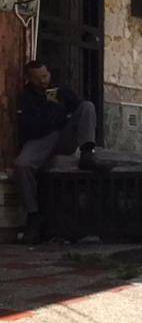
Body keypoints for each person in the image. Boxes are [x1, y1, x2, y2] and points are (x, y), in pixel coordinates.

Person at [13, 60, 109, 243]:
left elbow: (79, 109)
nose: (43, 81)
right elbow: (28, 127)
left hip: (63, 135)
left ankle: (88, 153)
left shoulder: (59, 90)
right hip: (41, 138)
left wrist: (64, 107)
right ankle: (33, 216)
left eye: (45, 76)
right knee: (22, 164)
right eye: (38, 78)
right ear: (29, 80)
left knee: (88, 106)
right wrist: (50, 115)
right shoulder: (27, 98)